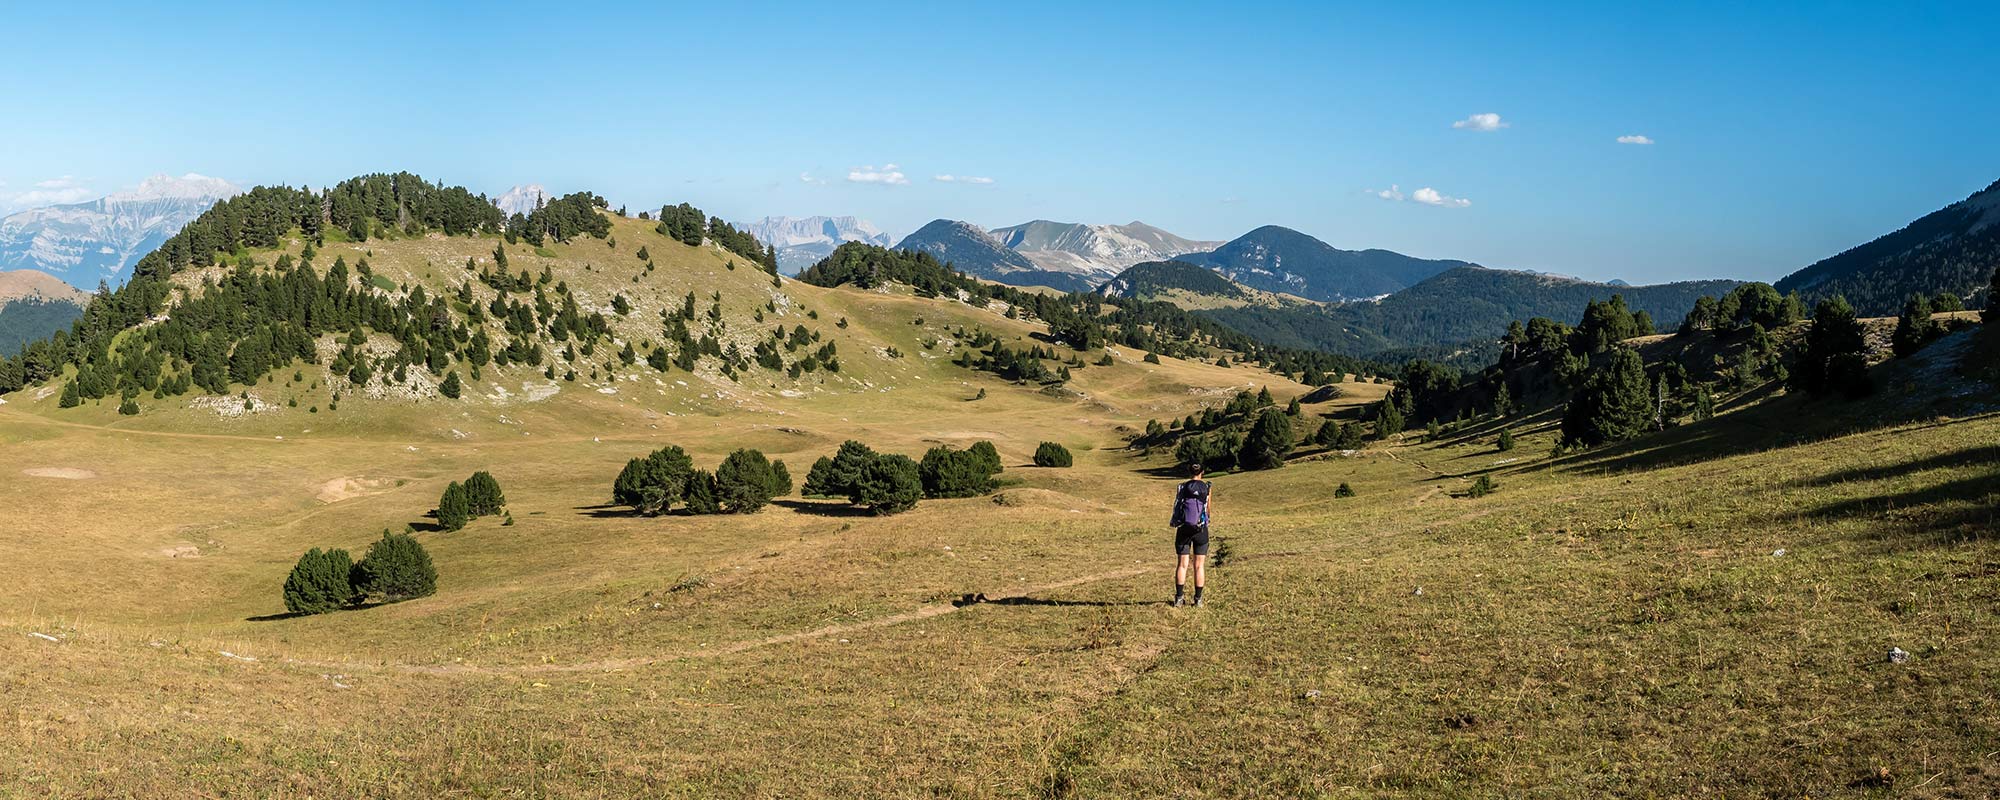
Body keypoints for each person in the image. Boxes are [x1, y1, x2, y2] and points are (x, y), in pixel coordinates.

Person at [1170, 463, 1212, 607]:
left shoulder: (1182, 487)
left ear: (1189, 472)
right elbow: (1208, 510)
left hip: (1184, 529)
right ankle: (1198, 599)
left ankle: (1179, 598)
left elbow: (1177, 506)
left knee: (1182, 565)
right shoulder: (1207, 488)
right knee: (1199, 566)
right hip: (1201, 530)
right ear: (1203, 472)